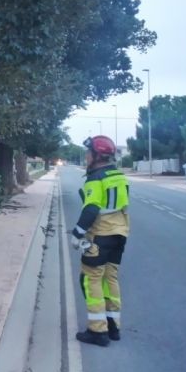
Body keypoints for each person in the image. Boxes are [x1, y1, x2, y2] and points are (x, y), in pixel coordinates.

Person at [71, 135, 129, 347]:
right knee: (110, 278)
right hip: (119, 235)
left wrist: (77, 233)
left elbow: (92, 208)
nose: (86, 156)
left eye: (88, 152)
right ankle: (113, 326)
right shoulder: (119, 176)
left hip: (100, 236)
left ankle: (97, 331)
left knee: (90, 279)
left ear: (97, 155)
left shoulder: (95, 179)